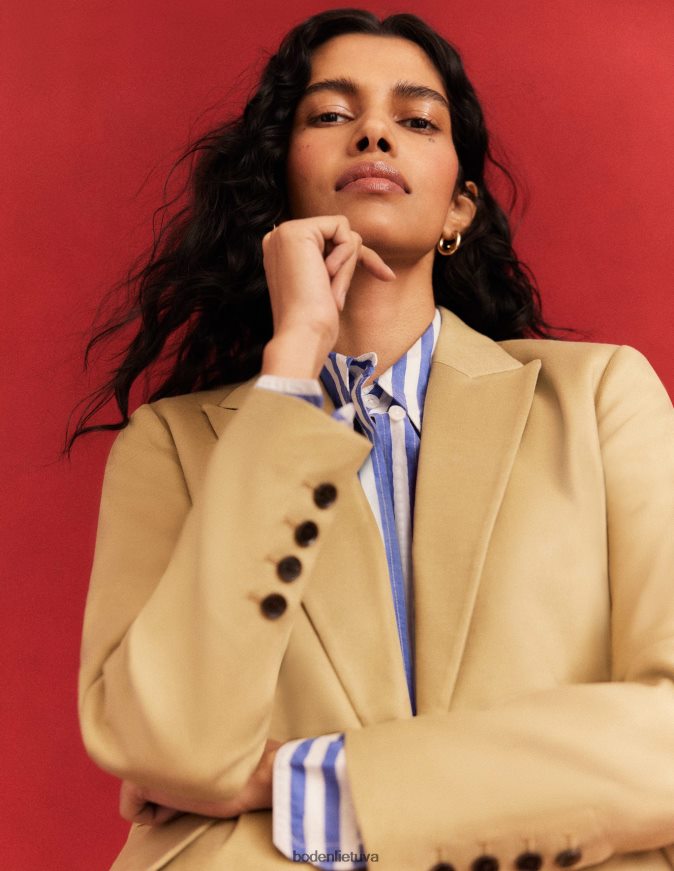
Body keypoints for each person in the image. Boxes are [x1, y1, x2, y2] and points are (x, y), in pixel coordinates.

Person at [69, 8, 674, 871]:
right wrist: (292, 368)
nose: (375, 134)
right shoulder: (172, 445)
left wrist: (306, 778)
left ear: (459, 204)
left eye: (417, 120)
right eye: (330, 114)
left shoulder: (600, 397)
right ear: (280, 184)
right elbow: (168, 743)